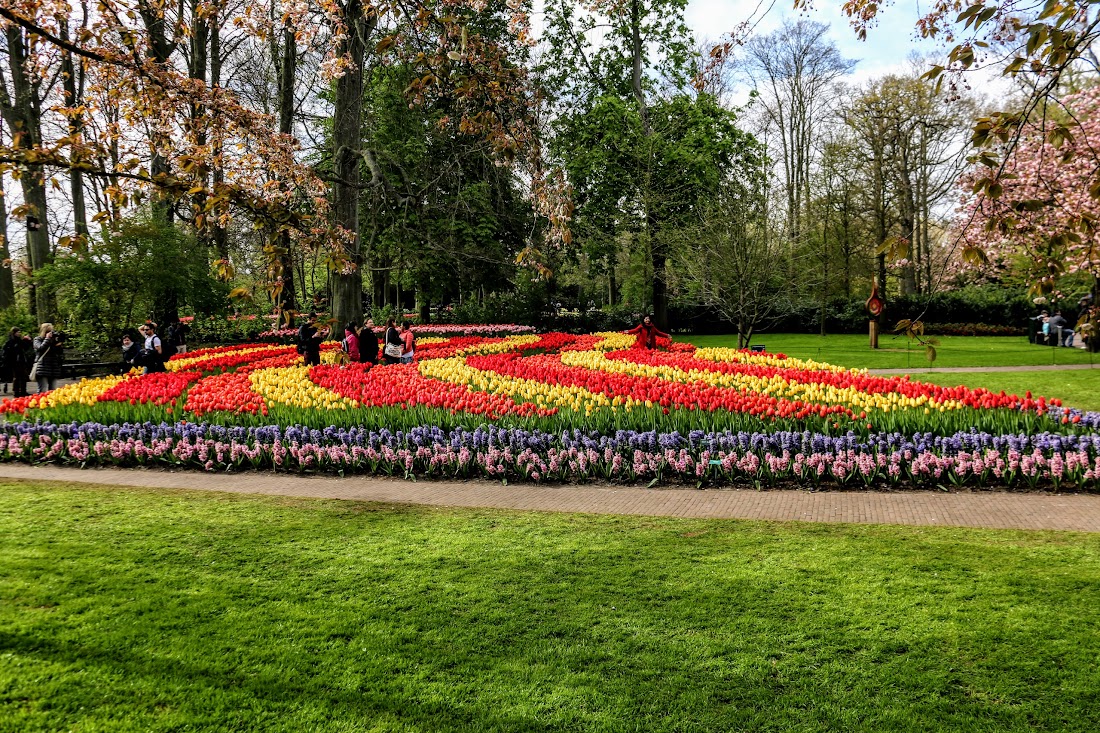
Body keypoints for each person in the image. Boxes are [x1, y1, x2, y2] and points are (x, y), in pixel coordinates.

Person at [32, 323, 66, 393]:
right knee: (43, 390)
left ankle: (51, 404)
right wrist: (47, 339)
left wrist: (58, 344)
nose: (51, 333)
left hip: (53, 367)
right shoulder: (37, 339)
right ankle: (40, 403)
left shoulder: (53, 340)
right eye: (49, 331)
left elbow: (59, 353)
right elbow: (40, 348)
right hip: (43, 367)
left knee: (53, 390)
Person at [2, 327, 33, 397]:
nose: (19, 333)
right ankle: (16, 391)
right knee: (17, 376)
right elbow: (10, 351)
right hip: (14, 361)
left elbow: (25, 347)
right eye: (18, 332)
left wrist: (27, 341)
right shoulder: (11, 342)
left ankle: (23, 391)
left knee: (23, 376)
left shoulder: (19, 341)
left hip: (21, 361)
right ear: (14, 333)